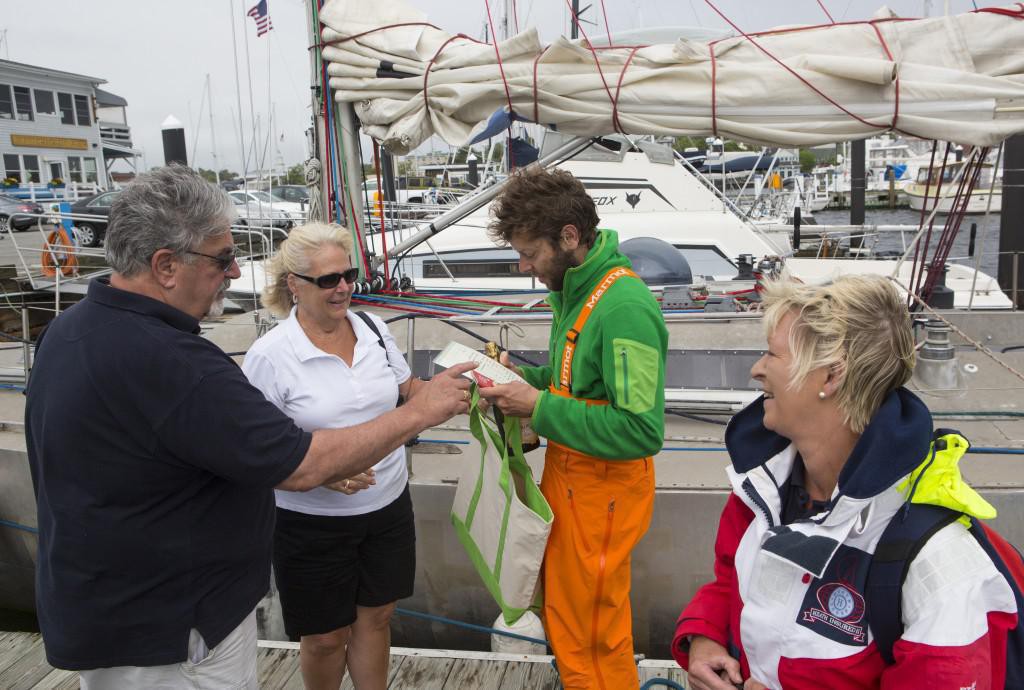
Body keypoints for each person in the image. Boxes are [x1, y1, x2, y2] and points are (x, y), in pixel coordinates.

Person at [24, 165, 475, 689]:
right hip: (175, 635)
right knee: (326, 635)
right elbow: (298, 463)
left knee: (374, 617)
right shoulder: (176, 363)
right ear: (166, 265)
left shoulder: (69, 330)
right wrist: (420, 414)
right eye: (223, 258)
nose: (236, 273)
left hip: (114, 613)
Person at [672, 275, 1018, 690]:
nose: (756, 370)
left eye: (771, 354)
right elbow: (731, 583)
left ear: (831, 376)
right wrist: (704, 638)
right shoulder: (761, 488)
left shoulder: (936, 561)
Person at [479, 167, 667, 689]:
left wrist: (536, 407)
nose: (525, 267)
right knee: (567, 623)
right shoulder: (577, 289)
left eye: (530, 254)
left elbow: (639, 430)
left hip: (604, 496)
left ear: (568, 238)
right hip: (573, 486)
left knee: (590, 635)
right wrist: (521, 380)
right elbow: (576, 383)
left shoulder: (624, 307)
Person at [241, 223, 420, 690]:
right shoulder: (270, 356)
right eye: (328, 280)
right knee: (323, 638)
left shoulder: (374, 329)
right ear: (294, 286)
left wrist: (466, 382)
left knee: (377, 617)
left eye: (348, 275)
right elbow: (256, 453)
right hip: (310, 522)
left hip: (388, 506)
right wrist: (321, 474)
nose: (343, 288)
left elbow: (408, 391)